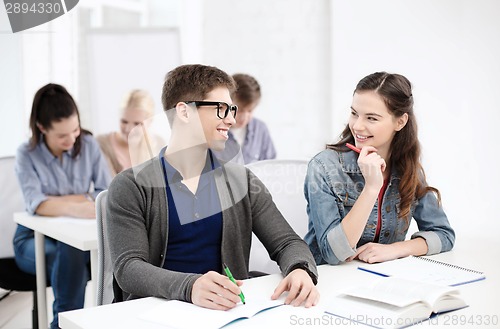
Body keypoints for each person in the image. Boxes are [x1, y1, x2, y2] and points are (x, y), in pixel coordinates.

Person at [106, 64, 319, 311]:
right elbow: (129, 268)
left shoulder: (243, 182)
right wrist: (190, 287)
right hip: (155, 313)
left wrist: (300, 269)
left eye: (232, 109)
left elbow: (287, 243)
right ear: (184, 112)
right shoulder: (131, 186)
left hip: (226, 312)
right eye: (220, 109)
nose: (231, 119)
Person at [304, 72, 455, 266]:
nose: (357, 126)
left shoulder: (407, 168)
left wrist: (395, 250)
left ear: (400, 122)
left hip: (380, 280)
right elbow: (333, 254)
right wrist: (371, 188)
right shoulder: (324, 167)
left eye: (371, 118)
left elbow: (444, 235)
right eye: (354, 113)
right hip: (327, 279)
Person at [13, 83, 112, 328]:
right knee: (71, 252)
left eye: (75, 130)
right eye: (61, 135)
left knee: (74, 251)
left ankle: (62, 324)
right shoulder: (27, 153)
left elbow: (105, 194)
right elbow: (36, 204)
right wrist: (78, 202)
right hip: (32, 241)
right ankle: (65, 323)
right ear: (41, 127)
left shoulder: (88, 145)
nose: (71, 139)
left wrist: (56, 202)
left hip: (75, 240)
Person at [97, 89, 165, 176]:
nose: (129, 129)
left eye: (137, 124)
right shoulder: (102, 144)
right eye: (124, 122)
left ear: (150, 121)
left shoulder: (159, 144)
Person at [226, 73, 276, 164]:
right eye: (239, 110)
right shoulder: (214, 130)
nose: (244, 117)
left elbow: (270, 167)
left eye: (250, 111)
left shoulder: (260, 129)